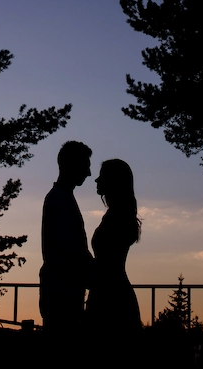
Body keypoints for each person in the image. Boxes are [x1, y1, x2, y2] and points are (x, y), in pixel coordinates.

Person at [40, 140, 94, 332]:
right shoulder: (58, 199)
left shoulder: (61, 197)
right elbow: (70, 250)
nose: (89, 173)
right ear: (72, 165)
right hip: (61, 294)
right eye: (86, 166)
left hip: (63, 292)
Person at [86, 158, 142, 335]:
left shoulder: (117, 217)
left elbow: (106, 263)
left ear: (114, 181)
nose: (96, 180)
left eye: (102, 176)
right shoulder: (116, 215)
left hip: (110, 296)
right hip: (111, 292)